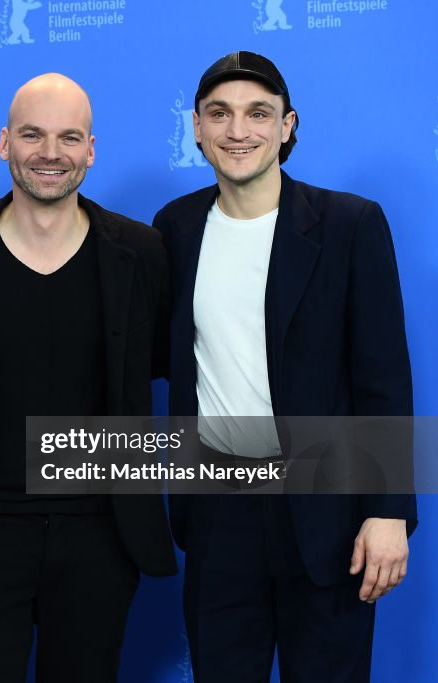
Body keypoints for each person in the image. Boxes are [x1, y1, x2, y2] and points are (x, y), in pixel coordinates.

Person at [153, 51, 415, 682]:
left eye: (257, 113)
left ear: (287, 125)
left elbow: (384, 376)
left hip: (329, 515)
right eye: (220, 113)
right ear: (196, 127)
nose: (237, 130)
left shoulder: (350, 224)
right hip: (218, 509)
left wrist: (388, 511)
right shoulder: (175, 229)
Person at [0, 73, 176, 682]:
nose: (51, 153)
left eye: (69, 137)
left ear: (92, 149)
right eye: (33, 135)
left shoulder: (141, 254)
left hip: (102, 536)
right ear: (4, 142)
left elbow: (164, 367)